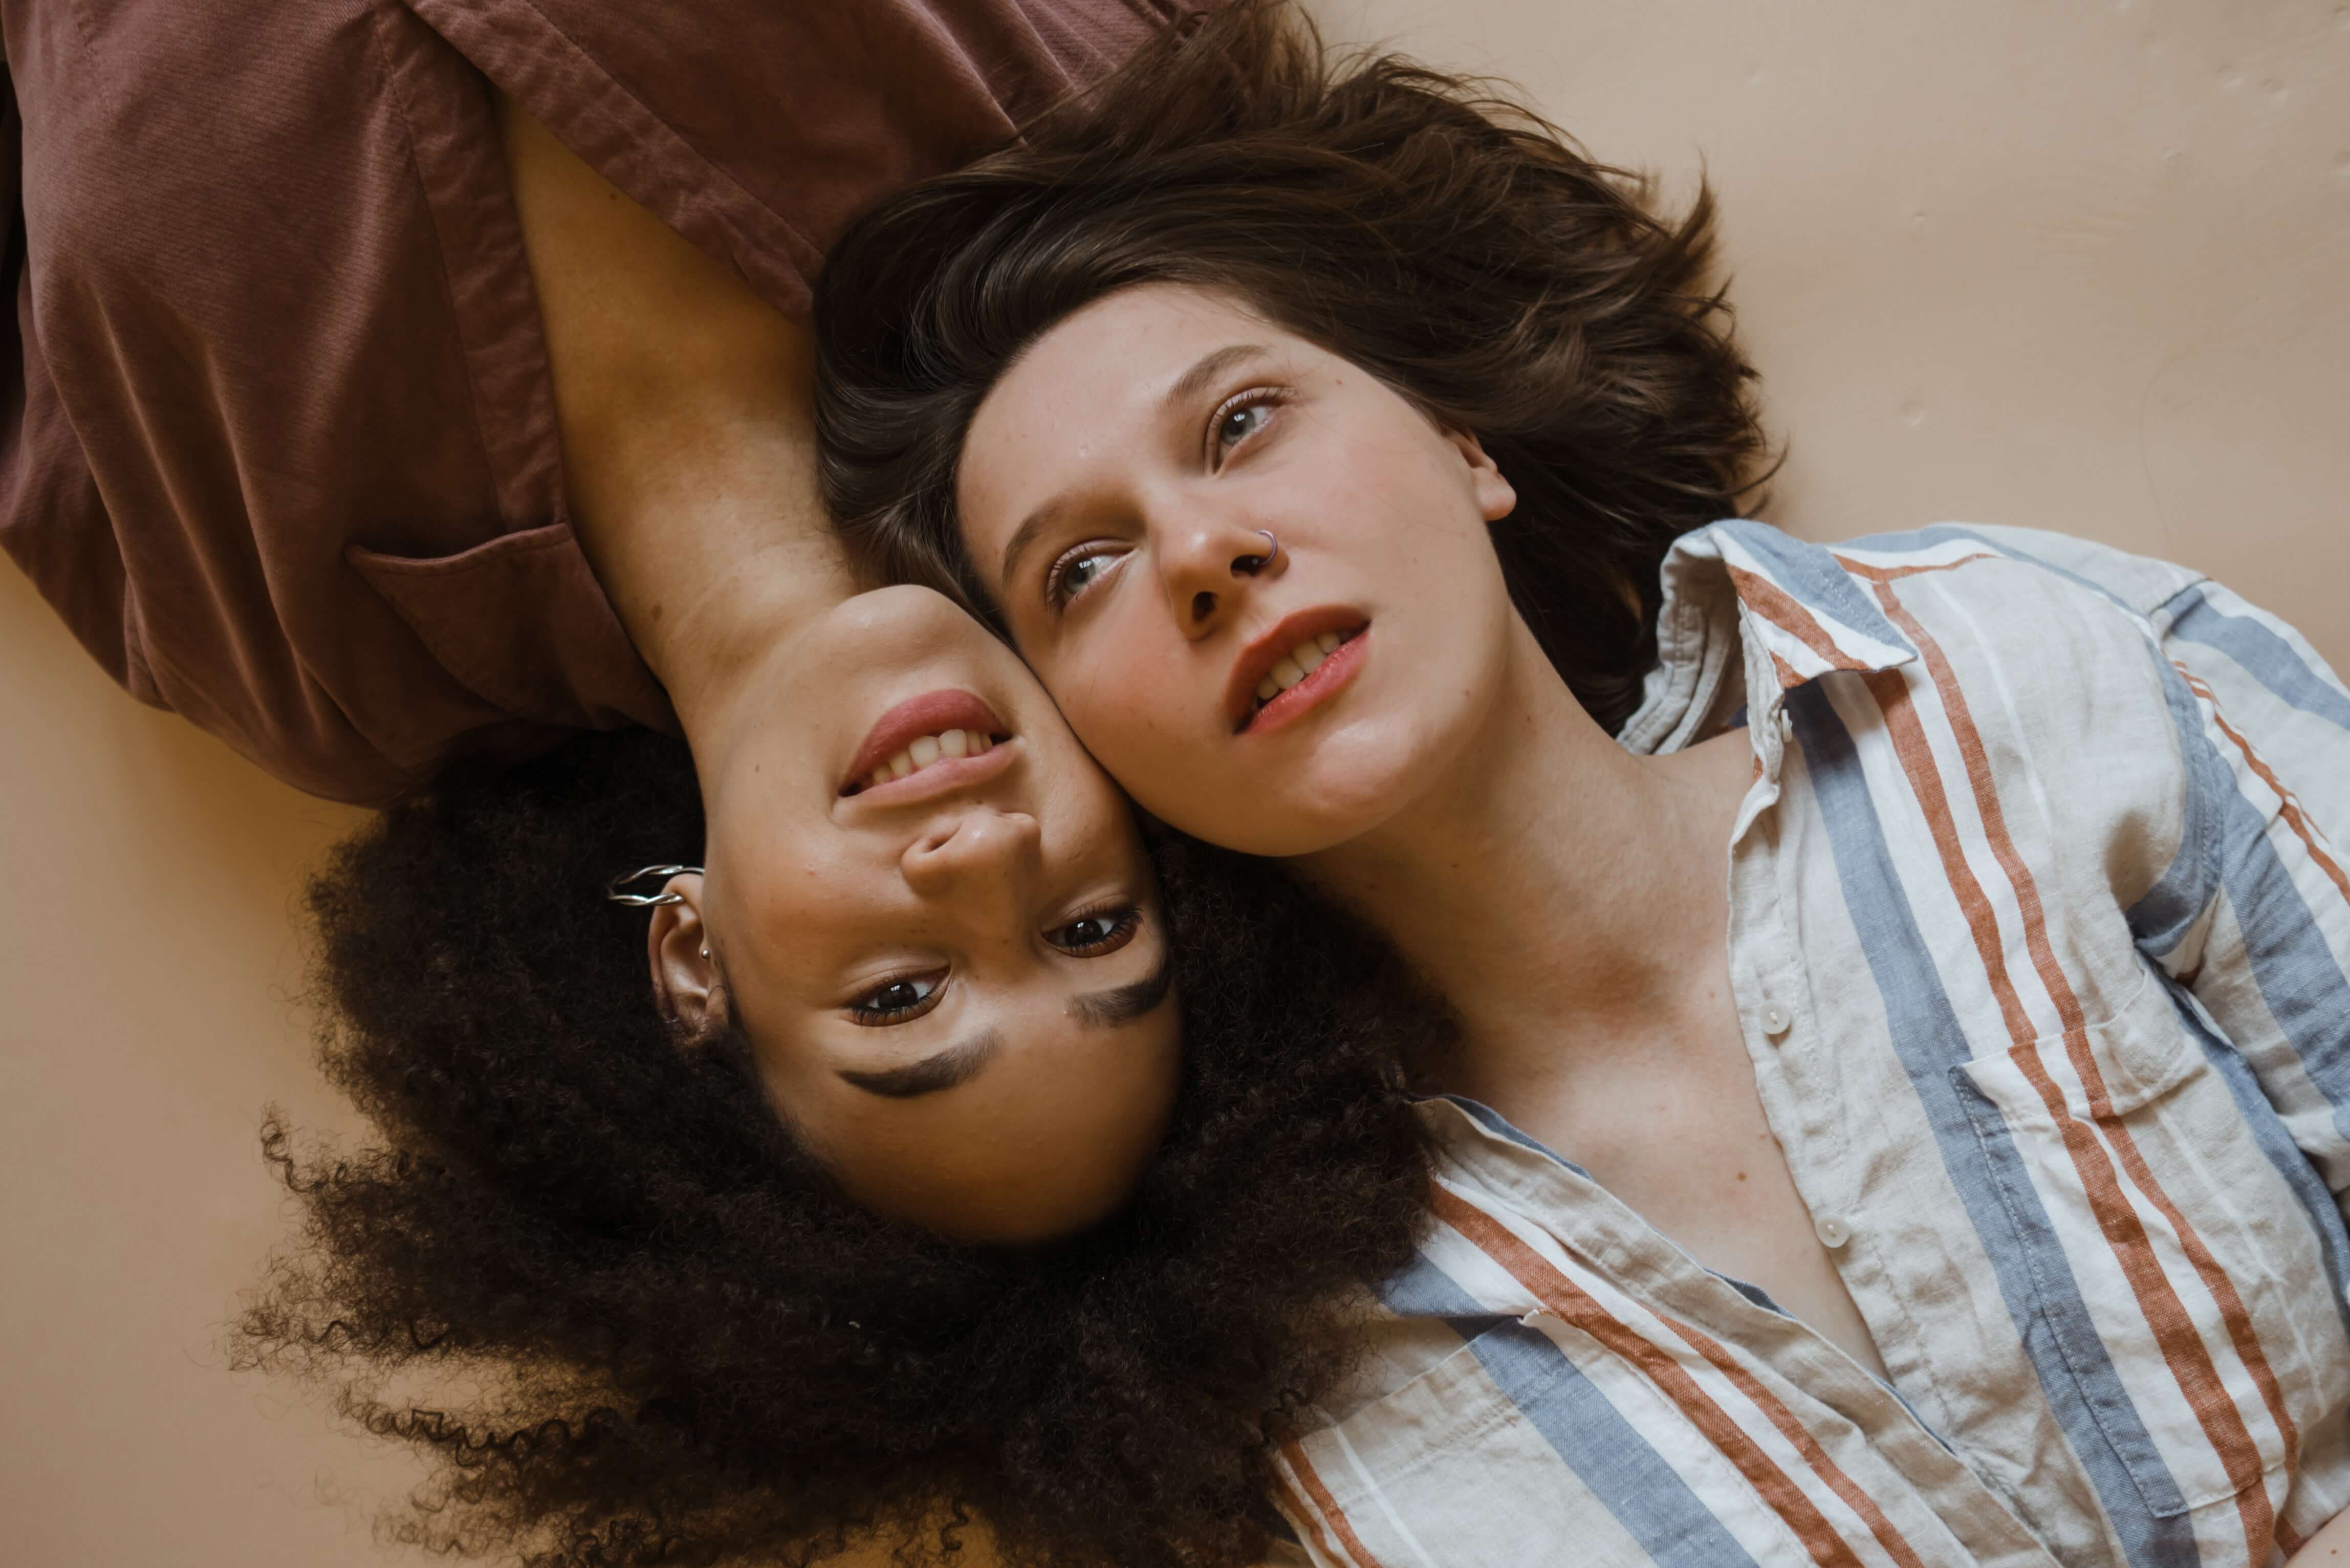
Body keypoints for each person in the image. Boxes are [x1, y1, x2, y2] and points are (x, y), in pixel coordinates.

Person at [814, 2, 2350, 1562]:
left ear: (1464, 449)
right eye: (1082, 570)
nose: (1203, 553)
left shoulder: (1998, 674)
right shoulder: (1231, 1362)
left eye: (1242, 423)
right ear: (1079, 736)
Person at [3, 3, 1451, 1564]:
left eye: (901, 997)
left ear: (694, 960)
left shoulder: (299, 658)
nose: (983, 863)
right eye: (1092, 929)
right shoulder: (1082, 159)